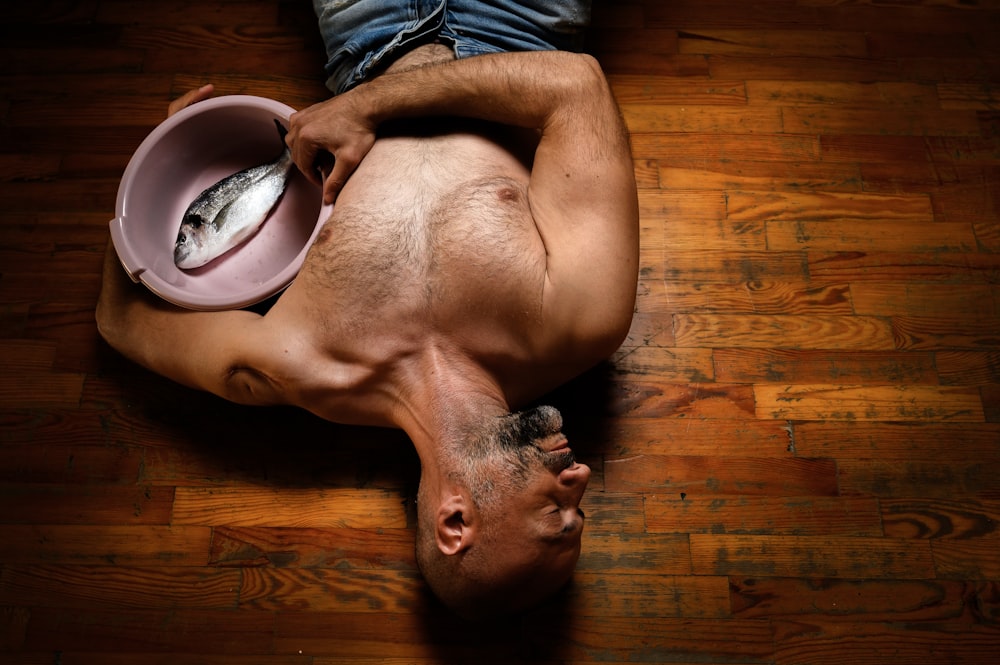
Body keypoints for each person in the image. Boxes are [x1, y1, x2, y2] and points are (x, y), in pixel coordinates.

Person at [96, 0, 638, 618]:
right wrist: (370, 108)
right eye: (582, 509)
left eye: (557, 519)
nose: (580, 482)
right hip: (517, 27)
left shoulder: (302, 365)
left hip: (367, 30)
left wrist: (150, 167)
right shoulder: (583, 322)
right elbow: (575, 86)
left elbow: (119, 322)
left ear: (454, 522)